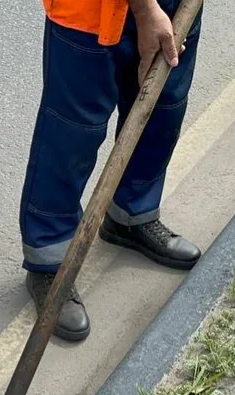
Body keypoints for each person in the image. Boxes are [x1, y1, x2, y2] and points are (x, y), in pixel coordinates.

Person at [20, 0, 203, 341]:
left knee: (162, 111)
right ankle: (50, 261)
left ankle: (131, 217)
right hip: (93, 11)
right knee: (72, 134)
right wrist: (147, 11)